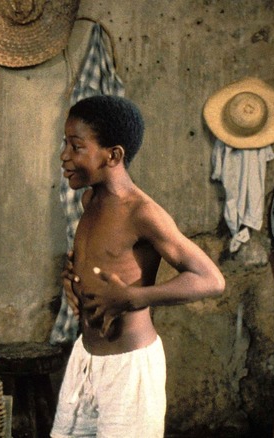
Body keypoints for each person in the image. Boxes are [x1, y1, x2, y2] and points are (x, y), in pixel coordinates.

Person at [53, 95, 225, 437]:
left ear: (113, 155)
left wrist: (133, 298)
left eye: (76, 146)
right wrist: (73, 281)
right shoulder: (90, 199)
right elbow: (102, 260)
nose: (65, 155)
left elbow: (211, 279)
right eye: (65, 144)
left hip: (129, 368)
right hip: (86, 358)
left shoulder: (142, 212)